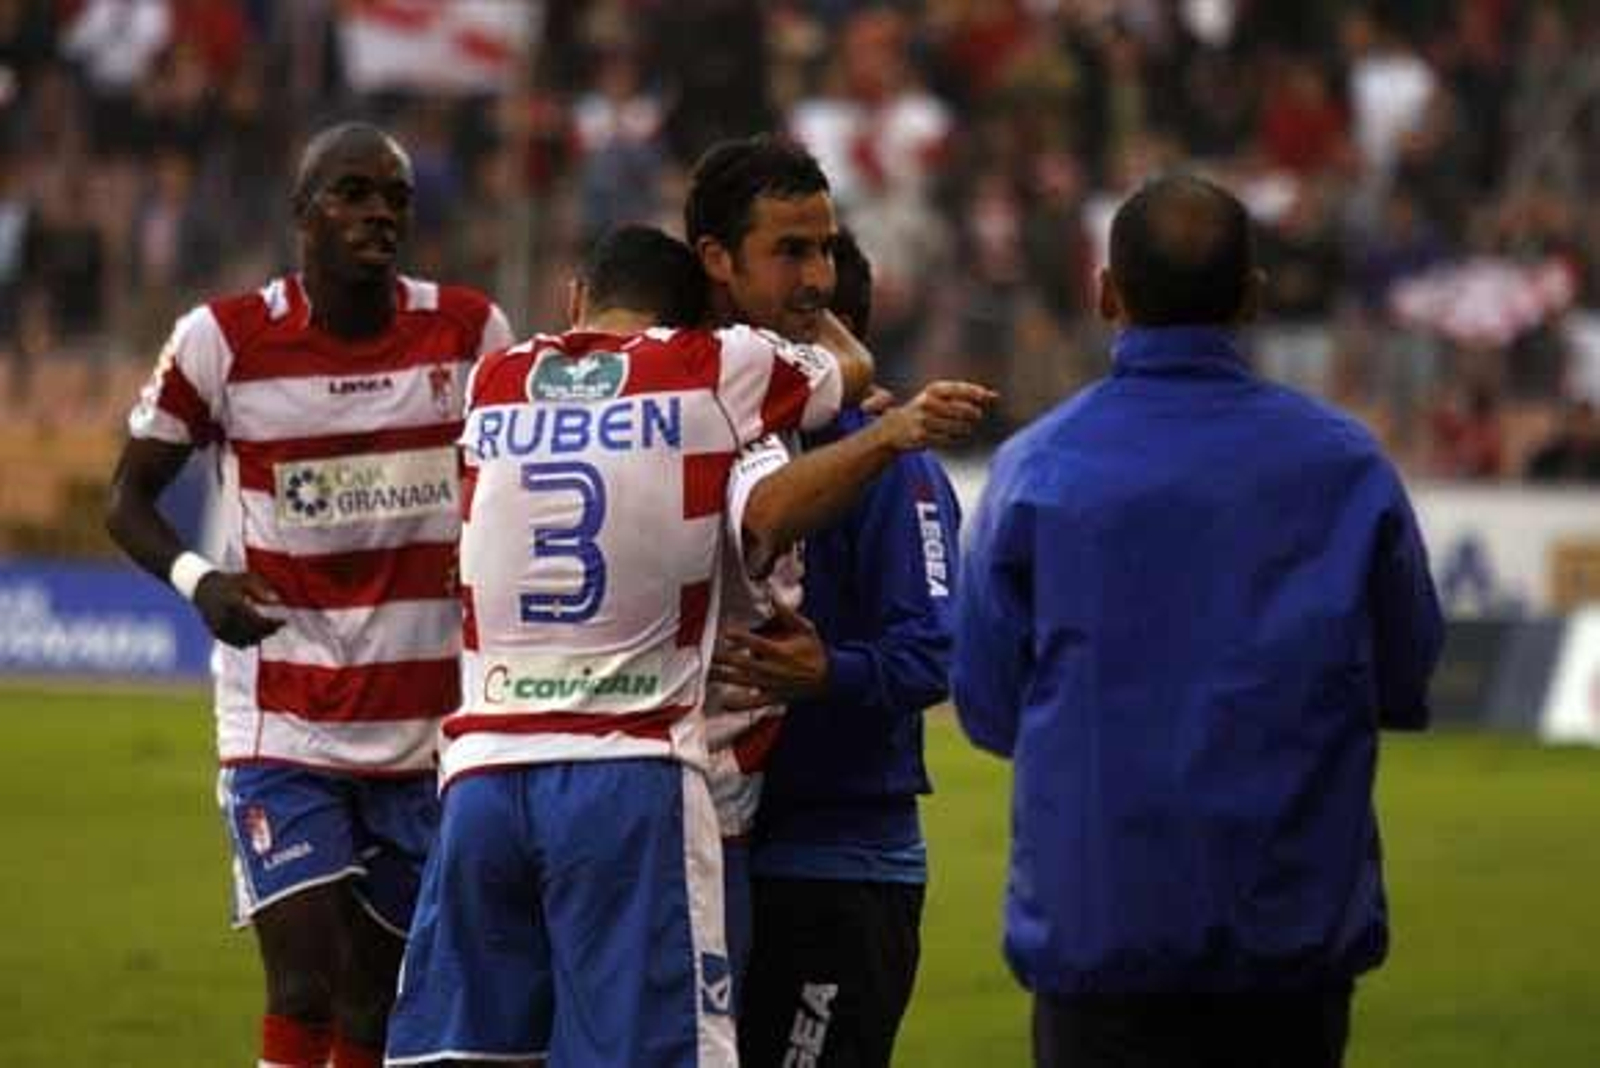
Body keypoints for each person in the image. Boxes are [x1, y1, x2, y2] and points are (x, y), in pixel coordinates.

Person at [383, 225, 991, 1068]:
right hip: (632, 773)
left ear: (572, 300)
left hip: (482, 770)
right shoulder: (711, 378)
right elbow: (784, 488)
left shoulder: (500, 378)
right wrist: (891, 428)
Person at [953, 174, 1445, 1068]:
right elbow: (1408, 674)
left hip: (1099, 937)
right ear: (1255, 298)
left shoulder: (1034, 469)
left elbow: (987, 706)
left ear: (1106, 294)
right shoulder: (1346, 466)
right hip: (1287, 938)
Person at [105, 123, 513, 1068]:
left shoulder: (469, 332)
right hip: (282, 723)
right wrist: (198, 580)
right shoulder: (226, 341)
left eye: (397, 198)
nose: (379, 212)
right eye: (353, 192)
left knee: (378, 1001)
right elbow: (126, 498)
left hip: (425, 733)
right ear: (302, 214)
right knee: (306, 984)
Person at [688, 137, 965, 1068]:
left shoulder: (894, 462)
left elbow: (934, 653)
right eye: (793, 255)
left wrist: (830, 673)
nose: (811, 279)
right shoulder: (695, 437)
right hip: (713, 842)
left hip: (838, 862)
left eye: (826, 259)